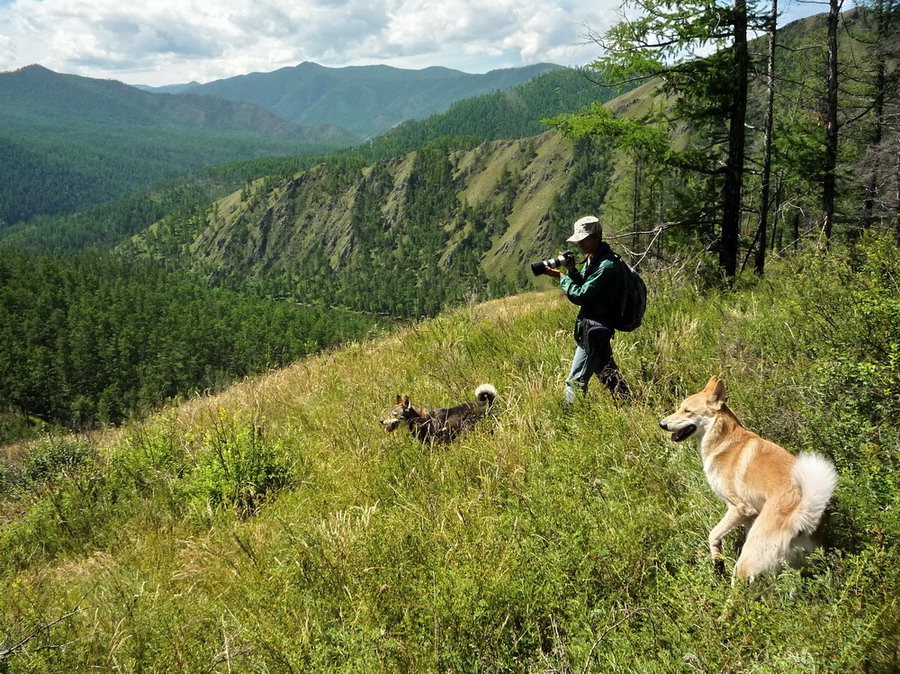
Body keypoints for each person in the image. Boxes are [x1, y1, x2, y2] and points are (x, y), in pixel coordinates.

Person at [541, 215, 631, 403]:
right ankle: (632, 405)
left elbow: (582, 295)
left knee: (575, 382)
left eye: (584, 239)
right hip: (593, 327)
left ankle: (567, 421)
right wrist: (572, 270)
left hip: (595, 330)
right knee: (608, 374)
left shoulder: (607, 265)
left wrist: (561, 277)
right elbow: (586, 284)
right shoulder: (594, 259)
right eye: (578, 240)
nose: (580, 244)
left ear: (597, 237)